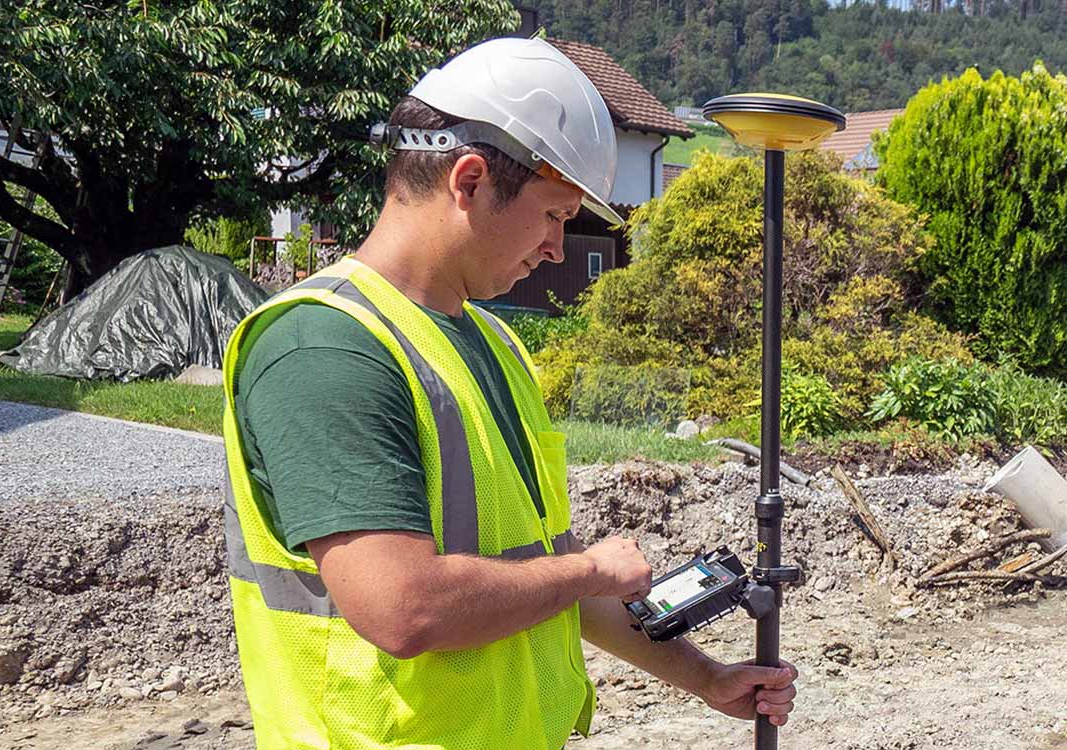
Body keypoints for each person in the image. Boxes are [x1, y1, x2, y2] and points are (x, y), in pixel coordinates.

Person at [220, 38, 795, 747]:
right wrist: (588, 569)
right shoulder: (325, 348)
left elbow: (543, 577)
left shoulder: (493, 345)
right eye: (554, 214)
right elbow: (404, 608)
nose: (559, 247)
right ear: (468, 181)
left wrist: (706, 678)